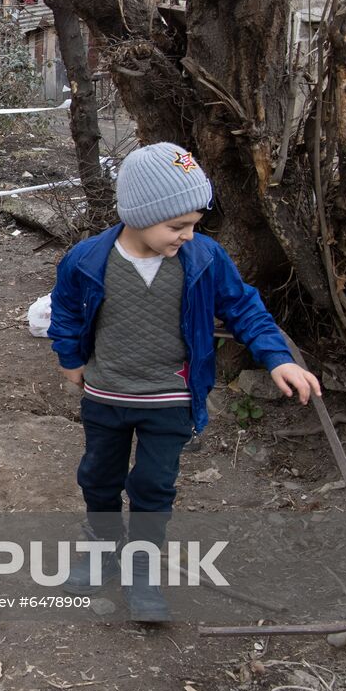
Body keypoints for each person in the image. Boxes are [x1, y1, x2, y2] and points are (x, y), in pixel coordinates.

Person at [48, 142, 320, 620]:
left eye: (194, 224)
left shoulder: (204, 259)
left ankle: (142, 570)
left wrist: (278, 358)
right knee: (98, 477)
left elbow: (244, 308)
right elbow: (66, 310)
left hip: (170, 399)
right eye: (177, 226)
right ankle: (103, 551)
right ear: (138, 215)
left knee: (154, 485)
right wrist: (70, 357)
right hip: (105, 394)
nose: (188, 236)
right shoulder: (88, 260)